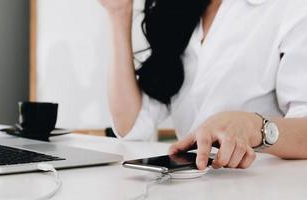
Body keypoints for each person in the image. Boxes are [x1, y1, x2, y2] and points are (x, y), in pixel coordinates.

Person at [98, 0, 307, 170]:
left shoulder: (290, 8)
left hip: (266, 185)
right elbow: (132, 127)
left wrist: (255, 127)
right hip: (192, 185)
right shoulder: (177, 10)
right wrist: (119, 13)